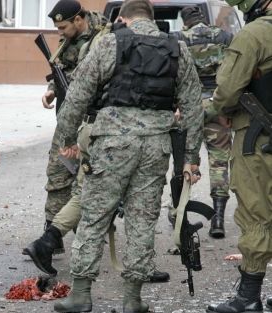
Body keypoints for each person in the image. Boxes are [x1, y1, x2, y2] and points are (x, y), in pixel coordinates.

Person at [52, 0, 204, 311]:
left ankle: (80, 295)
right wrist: (191, 159)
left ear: (124, 18)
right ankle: (132, 299)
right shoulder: (178, 48)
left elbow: (77, 94)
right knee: (142, 220)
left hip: (112, 145)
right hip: (155, 146)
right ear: (150, 18)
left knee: (94, 216)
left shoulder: (110, 42)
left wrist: (65, 140)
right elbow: (192, 108)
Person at [25, 19, 170, 284]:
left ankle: (48, 241)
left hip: (93, 128)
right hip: (103, 130)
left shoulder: (101, 42)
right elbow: (79, 94)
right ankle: (52, 247)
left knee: (86, 191)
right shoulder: (110, 44)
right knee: (93, 196)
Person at [205, 0, 272, 311]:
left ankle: (247, 299)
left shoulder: (255, 34)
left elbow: (228, 90)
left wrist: (221, 108)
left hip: (258, 140)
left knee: (256, 215)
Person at [37, 0, 109, 255]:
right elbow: (61, 72)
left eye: (63, 27)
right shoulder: (67, 41)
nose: (60, 32)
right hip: (67, 120)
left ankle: (90, 234)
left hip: (91, 120)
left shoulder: (104, 38)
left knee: (89, 178)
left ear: (79, 20)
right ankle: (51, 235)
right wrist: (51, 91)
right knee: (57, 174)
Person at [172, 7, 234, 238]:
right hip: (218, 105)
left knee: (185, 161)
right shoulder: (225, 36)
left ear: (185, 24)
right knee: (219, 161)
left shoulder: (179, 39)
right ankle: (217, 219)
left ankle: (178, 216)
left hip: (189, 108)